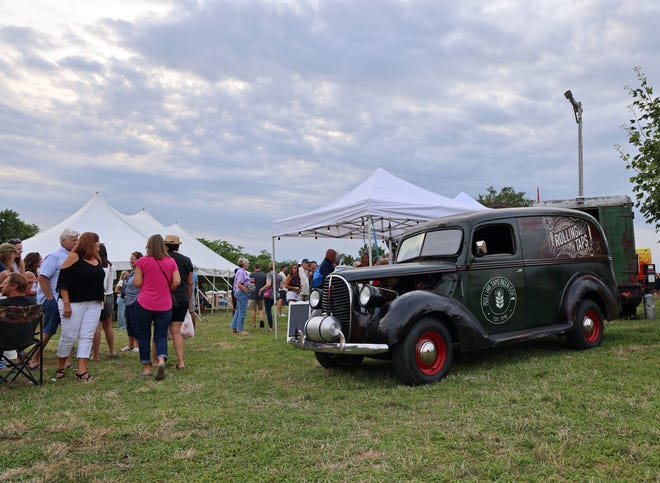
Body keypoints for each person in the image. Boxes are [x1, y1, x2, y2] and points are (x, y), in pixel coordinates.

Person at [54, 232, 105, 382]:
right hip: (73, 303)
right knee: (68, 336)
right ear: (89, 243)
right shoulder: (74, 257)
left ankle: (82, 370)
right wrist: (67, 305)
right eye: (97, 241)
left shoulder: (97, 258)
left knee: (87, 336)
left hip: (93, 303)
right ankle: (60, 367)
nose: (99, 244)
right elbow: (63, 284)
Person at [30, 229, 79, 369]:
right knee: (49, 330)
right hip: (52, 299)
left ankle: (67, 360)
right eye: (73, 240)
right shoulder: (54, 256)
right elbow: (43, 278)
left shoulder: (73, 256)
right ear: (63, 241)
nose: (76, 242)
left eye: (77, 240)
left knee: (68, 330)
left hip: (66, 299)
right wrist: (50, 298)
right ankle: (34, 358)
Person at [133, 235, 180, 380]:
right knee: (160, 335)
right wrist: (167, 289)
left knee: (144, 335)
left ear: (148, 245)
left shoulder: (142, 261)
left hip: (145, 303)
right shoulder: (171, 261)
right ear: (163, 245)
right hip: (164, 304)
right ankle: (160, 359)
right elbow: (177, 281)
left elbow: (137, 283)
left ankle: (146, 368)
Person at [164, 234, 193, 370]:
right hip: (182, 297)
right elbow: (189, 282)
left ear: (166, 245)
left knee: (160, 330)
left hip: (165, 296)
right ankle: (181, 361)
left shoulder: (163, 259)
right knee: (176, 330)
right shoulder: (186, 260)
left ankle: (156, 359)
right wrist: (188, 299)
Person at [0, 273, 33, 366]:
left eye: (5, 283)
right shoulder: (33, 304)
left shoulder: (3, 305)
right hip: (27, 341)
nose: (1, 285)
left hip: (4, 342)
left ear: (14, 286)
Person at [92, 244, 116, 359]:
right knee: (108, 326)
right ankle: (112, 350)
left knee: (96, 327)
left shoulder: (95, 265)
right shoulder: (112, 266)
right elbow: (112, 280)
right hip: (110, 295)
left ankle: (95, 354)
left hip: (98, 297)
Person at [120, 252, 142, 353]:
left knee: (136, 323)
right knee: (129, 323)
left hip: (136, 300)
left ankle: (138, 344)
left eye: (133, 259)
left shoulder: (140, 272)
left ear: (139, 260)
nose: (130, 260)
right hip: (128, 301)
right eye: (130, 258)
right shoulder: (131, 272)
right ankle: (130, 344)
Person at [230, 257, 250, 335]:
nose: (248, 264)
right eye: (248, 263)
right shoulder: (241, 272)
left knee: (238, 311)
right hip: (242, 293)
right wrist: (246, 292)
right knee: (242, 311)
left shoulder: (240, 271)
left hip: (238, 292)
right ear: (244, 264)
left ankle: (234, 329)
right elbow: (239, 284)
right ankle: (240, 330)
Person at [259, 262, 281, 331]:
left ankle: (270, 327)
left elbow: (268, 284)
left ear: (269, 267)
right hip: (276, 294)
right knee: (269, 309)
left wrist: (261, 289)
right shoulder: (279, 275)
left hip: (269, 294)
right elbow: (281, 286)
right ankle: (271, 326)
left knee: (268, 311)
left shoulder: (269, 274)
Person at [248, 263, 267, 328]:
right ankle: (261, 320)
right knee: (261, 309)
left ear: (254, 267)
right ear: (260, 267)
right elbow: (265, 285)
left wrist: (251, 292)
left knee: (253, 310)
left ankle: (254, 324)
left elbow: (251, 285)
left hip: (253, 294)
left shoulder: (252, 275)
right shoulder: (264, 275)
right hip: (261, 294)